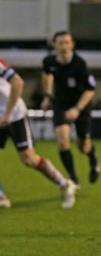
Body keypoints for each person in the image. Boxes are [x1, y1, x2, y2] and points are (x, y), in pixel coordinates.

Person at [1, 58, 77, 208]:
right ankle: (1, 197)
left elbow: (18, 82)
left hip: (14, 115)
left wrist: (8, 114)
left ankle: (64, 184)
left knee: (29, 159)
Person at [40, 31, 100, 186]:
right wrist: (47, 96)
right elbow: (47, 75)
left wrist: (77, 109)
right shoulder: (49, 61)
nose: (63, 46)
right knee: (62, 141)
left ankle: (93, 158)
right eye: (60, 43)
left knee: (83, 147)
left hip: (80, 104)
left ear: (72, 44)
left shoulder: (80, 64)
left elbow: (90, 90)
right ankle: (74, 180)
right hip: (61, 103)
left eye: (66, 42)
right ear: (55, 45)